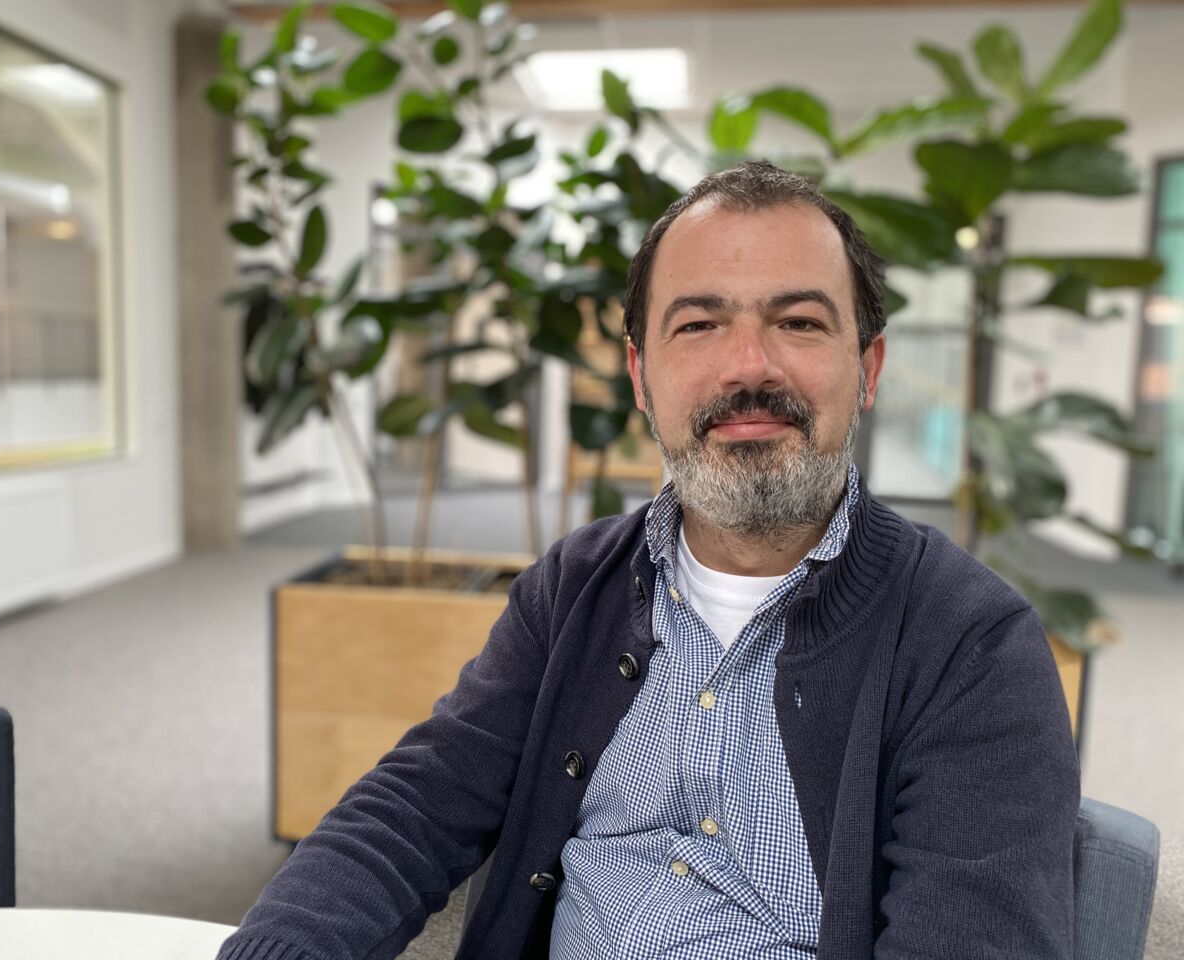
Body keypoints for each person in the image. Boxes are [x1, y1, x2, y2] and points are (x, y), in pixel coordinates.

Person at [217, 161, 1079, 960]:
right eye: (699, 324)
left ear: (868, 366)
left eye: (800, 322)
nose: (749, 366)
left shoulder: (971, 643)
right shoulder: (573, 586)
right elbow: (416, 804)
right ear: (639, 374)